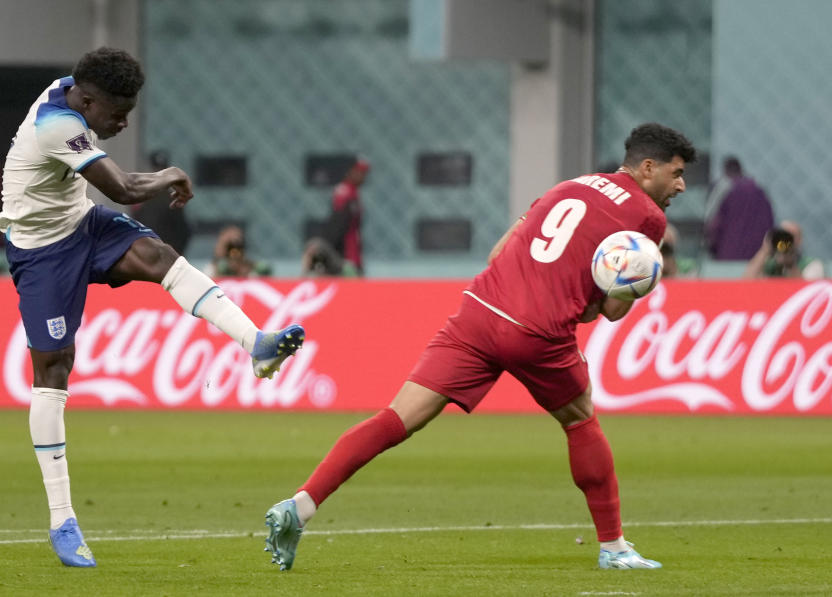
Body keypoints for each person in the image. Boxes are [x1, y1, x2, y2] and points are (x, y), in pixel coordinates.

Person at [264, 123, 696, 571]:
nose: (681, 185)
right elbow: (608, 310)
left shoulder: (568, 186)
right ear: (648, 168)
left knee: (396, 419)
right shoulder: (648, 217)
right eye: (677, 173)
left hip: (479, 311)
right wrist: (633, 286)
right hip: (537, 331)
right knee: (580, 422)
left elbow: (497, 254)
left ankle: (302, 504)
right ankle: (614, 547)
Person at [0, 47, 305, 568]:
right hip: (40, 253)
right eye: (116, 112)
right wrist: (171, 174)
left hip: (81, 225)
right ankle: (63, 520)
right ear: (86, 100)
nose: (123, 121)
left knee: (158, 256)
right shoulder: (56, 126)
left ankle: (258, 345)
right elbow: (128, 187)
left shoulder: (75, 87)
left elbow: (112, 178)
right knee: (53, 371)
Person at [704, 156, 774, 260]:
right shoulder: (759, 192)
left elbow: (711, 223)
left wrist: (710, 247)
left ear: (725, 170)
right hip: (756, 257)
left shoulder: (722, 189)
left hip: (727, 255)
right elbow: (770, 223)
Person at [323, 158, 369, 275]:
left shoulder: (353, 192)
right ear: (351, 172)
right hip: (345, 256)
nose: (363, 177)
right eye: (360, 173)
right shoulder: (345, 192)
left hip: (354, 255)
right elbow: (338, 225)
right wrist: (334, 254)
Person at [743, 220, 825, 280]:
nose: (784, 241)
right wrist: (765, 250)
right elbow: (747, 281)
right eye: (781, 236)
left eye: (790, 237)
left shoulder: (812, 265)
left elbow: (806, 290)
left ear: (799, 240)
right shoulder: (769, 265)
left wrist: (790, 264)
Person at [204, 225, 272, 278]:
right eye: (229, 247)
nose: (234, 251)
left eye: (238, 246)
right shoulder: (215, 269)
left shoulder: (257, 269)